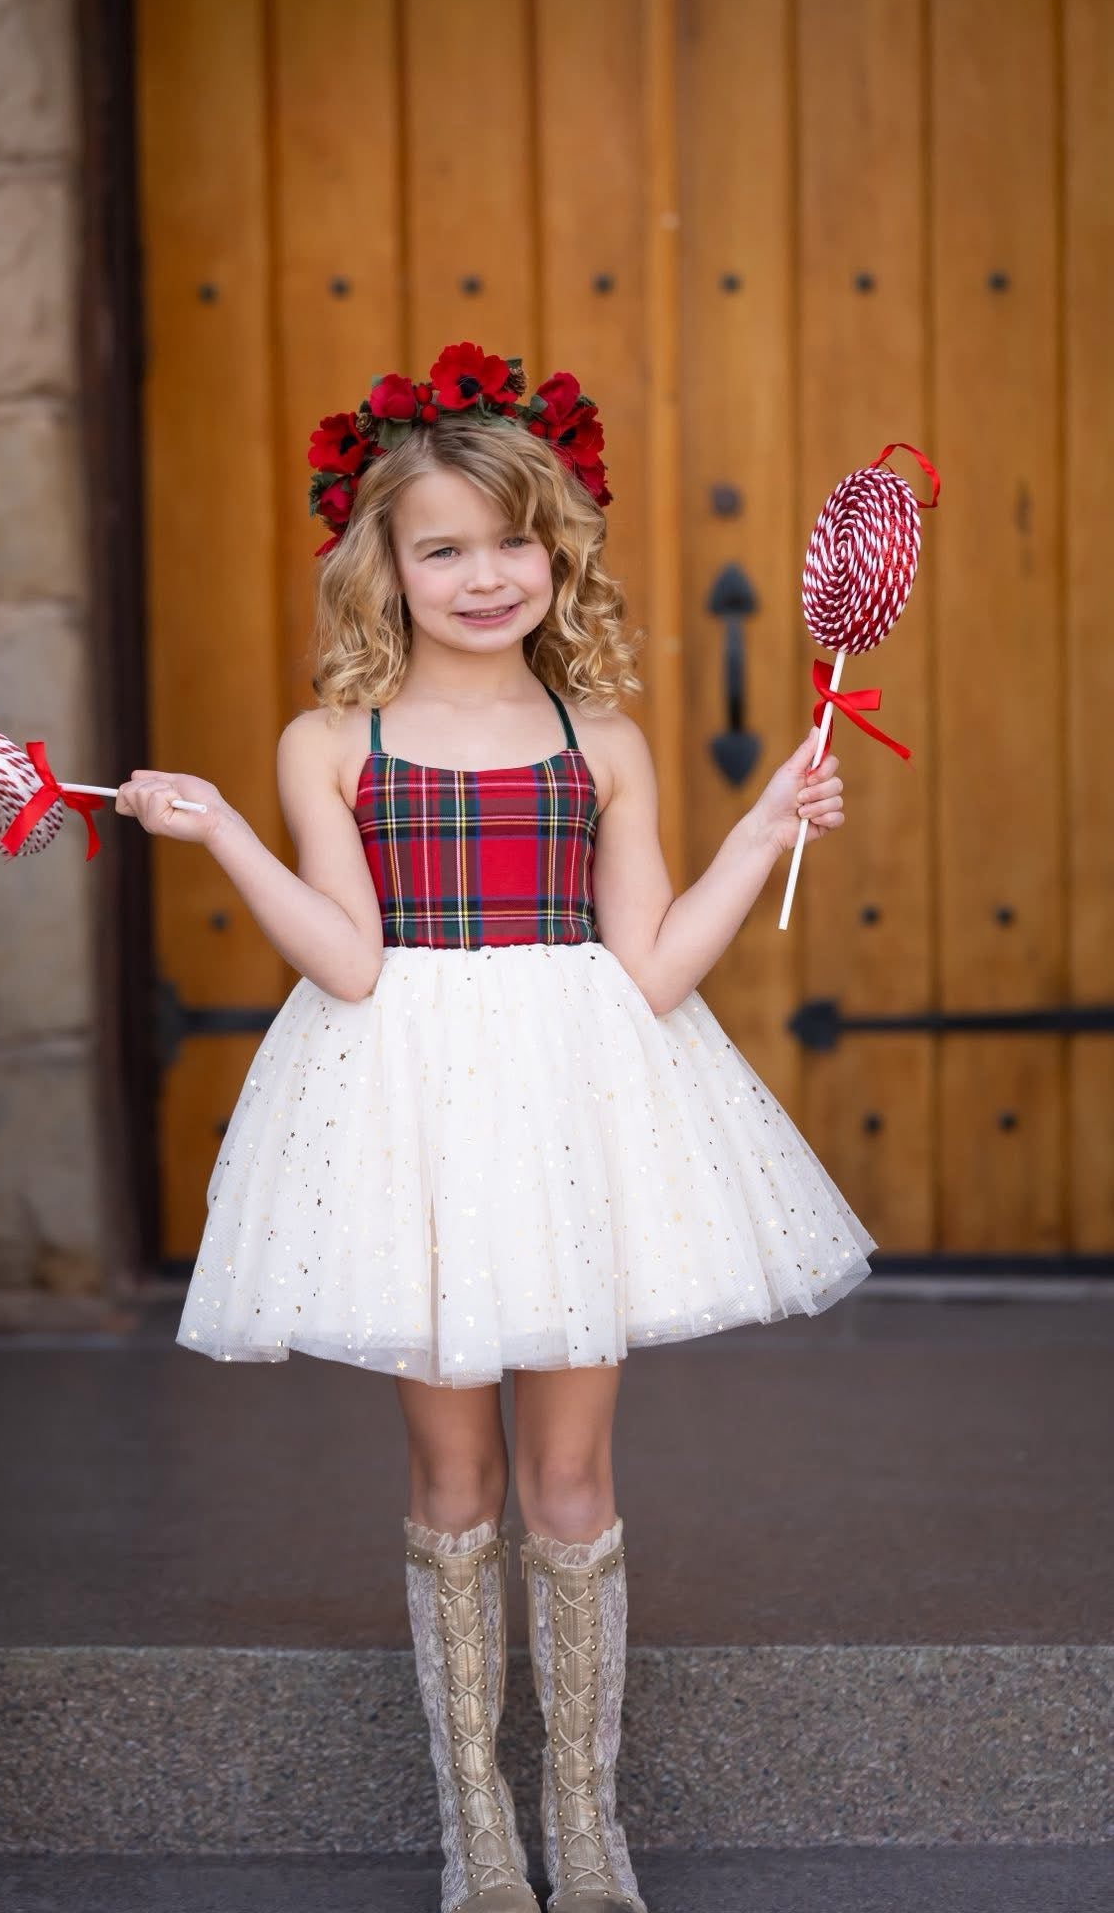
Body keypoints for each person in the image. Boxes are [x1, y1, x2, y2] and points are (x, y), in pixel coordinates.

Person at [115, 341, 876, 1913]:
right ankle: (480, 1831)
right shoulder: (331, 745)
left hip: (574, 1114)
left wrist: (756, 831)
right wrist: (220, 836)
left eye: (512, 541)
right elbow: (344, 961)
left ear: (560, 549)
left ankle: (584, 1835)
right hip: (407, 1121)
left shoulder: (601, 740)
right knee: (449, 1479)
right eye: (441, 547)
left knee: (572, 1485)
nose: (483, 575)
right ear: (382, 565)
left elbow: (653, 970)